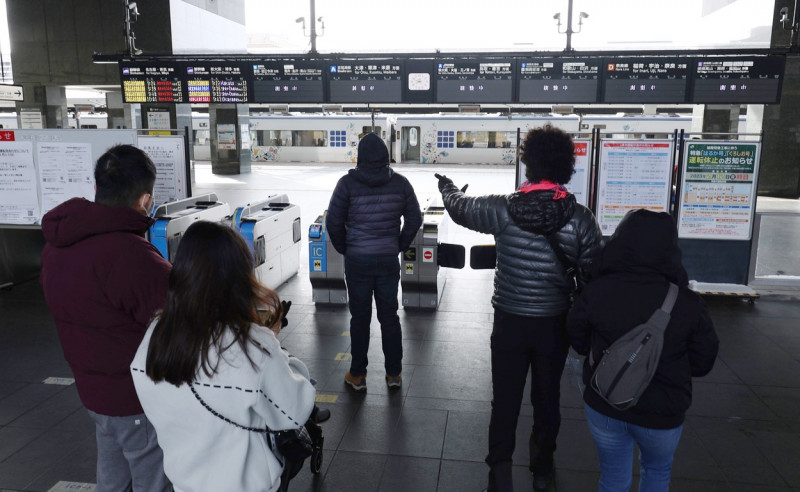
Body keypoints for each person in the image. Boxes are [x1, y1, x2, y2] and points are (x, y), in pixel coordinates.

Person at [436, 125, 603, 491]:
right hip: (554, 325)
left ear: (528, 163)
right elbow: (593, 279)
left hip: (509, 322)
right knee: (547, 399)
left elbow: (459, 209)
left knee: (505, 400)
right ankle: (542, 469)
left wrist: (446, 185)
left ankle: (499, 470)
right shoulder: (581, 219)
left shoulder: (501, 209)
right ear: (566, 167)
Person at [130, 220, 316, 492]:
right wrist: (276, 348)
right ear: (238, 278)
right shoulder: (253, 345)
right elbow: (293, 412)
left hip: (184, 483)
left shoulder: (155, 334)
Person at [39, 144, 171, 491]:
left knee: (112, 475)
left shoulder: (57, 246)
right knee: (151, 477)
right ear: (145, 200)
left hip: (95, 391)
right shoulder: (131, 255)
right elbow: (178, 318)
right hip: (135, 397)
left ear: (97, 189)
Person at [566, 209, 719, 492]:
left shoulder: (598, 290)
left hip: (605, 402)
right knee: (657, 472)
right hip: (663, 413)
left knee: (612, 478)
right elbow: (703, 363)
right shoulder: (687, 303)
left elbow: (577, 337)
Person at [326, 133, 422, 391]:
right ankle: (394, 375)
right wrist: (398, 245)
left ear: (360, 157)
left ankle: (357, 375)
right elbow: (415, 218)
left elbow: (333, 222)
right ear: (384, 156)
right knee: (389, 317)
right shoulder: (401, 183)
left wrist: (346, 248)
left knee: (360, 319)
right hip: (387, 261)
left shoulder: (346, 184)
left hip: (358, 262)